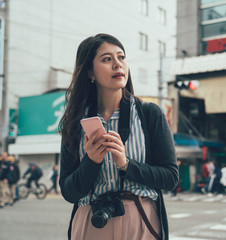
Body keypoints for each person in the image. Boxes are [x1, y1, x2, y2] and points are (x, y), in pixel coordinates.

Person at [59, 33, 178, 240]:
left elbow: (170, 178)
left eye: (121, 57)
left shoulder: (149, 114)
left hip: (140, 218)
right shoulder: (75, 122)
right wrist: (92, 161)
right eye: (107, 59)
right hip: (91, 220)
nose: (117, 64)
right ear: (90, 72)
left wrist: (126, 164)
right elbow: (69, 192)